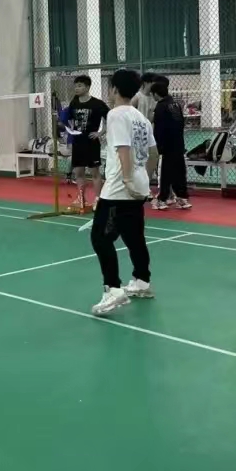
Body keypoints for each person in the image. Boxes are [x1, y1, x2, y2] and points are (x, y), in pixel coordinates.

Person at [89, 69, 157, 317]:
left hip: (119, 189)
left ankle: (113, 289)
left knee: (100, 238)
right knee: (133, 236)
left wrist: (127, 179)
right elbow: (154, 154)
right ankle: (142, 282)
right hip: (138, 186)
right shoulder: (141, 118)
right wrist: (142, 178)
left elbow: (123, 149)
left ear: (115, 89)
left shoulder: (116, 114)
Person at [66, 75, 110, 211]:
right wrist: (70, 136)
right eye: (75, 86)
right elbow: (69, 120)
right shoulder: (74, 103)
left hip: (91, 142)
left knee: (95, 173)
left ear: (87, 87)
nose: (76, 88)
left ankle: (98, 199)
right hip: (78, 142)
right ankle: (81, 198)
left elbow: (110, 118)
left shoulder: (97, 104)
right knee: (79, 172)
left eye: (80, 86)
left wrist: (101, 132)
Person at [150, 77, 191, 210]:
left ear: (156, 94)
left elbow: (159, 129)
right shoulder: (176, 104)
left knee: (165, 172)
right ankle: (182, 198)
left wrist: (159, 146)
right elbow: (181, 123)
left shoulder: (160, 106)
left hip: (166, 146)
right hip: (178, 144)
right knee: (179, 171)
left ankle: (162, 199)